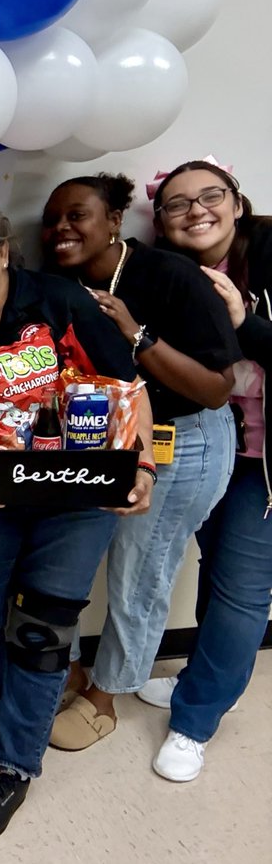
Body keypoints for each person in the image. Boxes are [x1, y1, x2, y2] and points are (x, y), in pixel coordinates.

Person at [0, 194, 154, 841]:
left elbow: (127, 386)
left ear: (2, 251)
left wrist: (141, 469)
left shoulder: (61, 302)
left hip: (80, 498)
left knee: (41, 628)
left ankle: (14, 766)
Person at [40, 174, 240, 752]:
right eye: (52, 220)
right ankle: (72, 671)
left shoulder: (171, 276)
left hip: (185, 439)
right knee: (69, 561)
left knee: (140, 572)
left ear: (114, 222)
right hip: (101, 440)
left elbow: (215, 389)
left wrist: (135, 333)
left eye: (77, 216)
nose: (61, 229)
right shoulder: (61, 283)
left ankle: (106, 698)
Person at [139, 159, 272, 780]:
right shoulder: (168, 276)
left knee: (240, 590)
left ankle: (196, 721)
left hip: (263, 467)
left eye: (210, 196)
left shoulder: (268, 258)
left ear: (238, 203)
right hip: (206, 446)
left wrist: (247, 323)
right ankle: (207, 679)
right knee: (206, 570)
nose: (197, 211)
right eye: (177, 204)